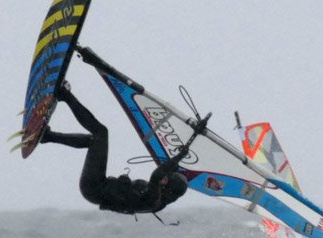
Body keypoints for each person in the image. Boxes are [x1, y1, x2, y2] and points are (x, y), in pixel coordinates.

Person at [39, 83, 209, 216]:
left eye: (167, 180)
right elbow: (168, 174)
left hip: (94, 188)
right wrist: (193, 137)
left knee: (101, 133)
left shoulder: (154, 201)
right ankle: (48, 136)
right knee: (94, 140)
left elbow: (157, 175)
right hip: (98, 186)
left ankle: (64, 95)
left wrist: (179, 157)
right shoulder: (162, 196)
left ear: (167, 186)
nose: (165, 178)